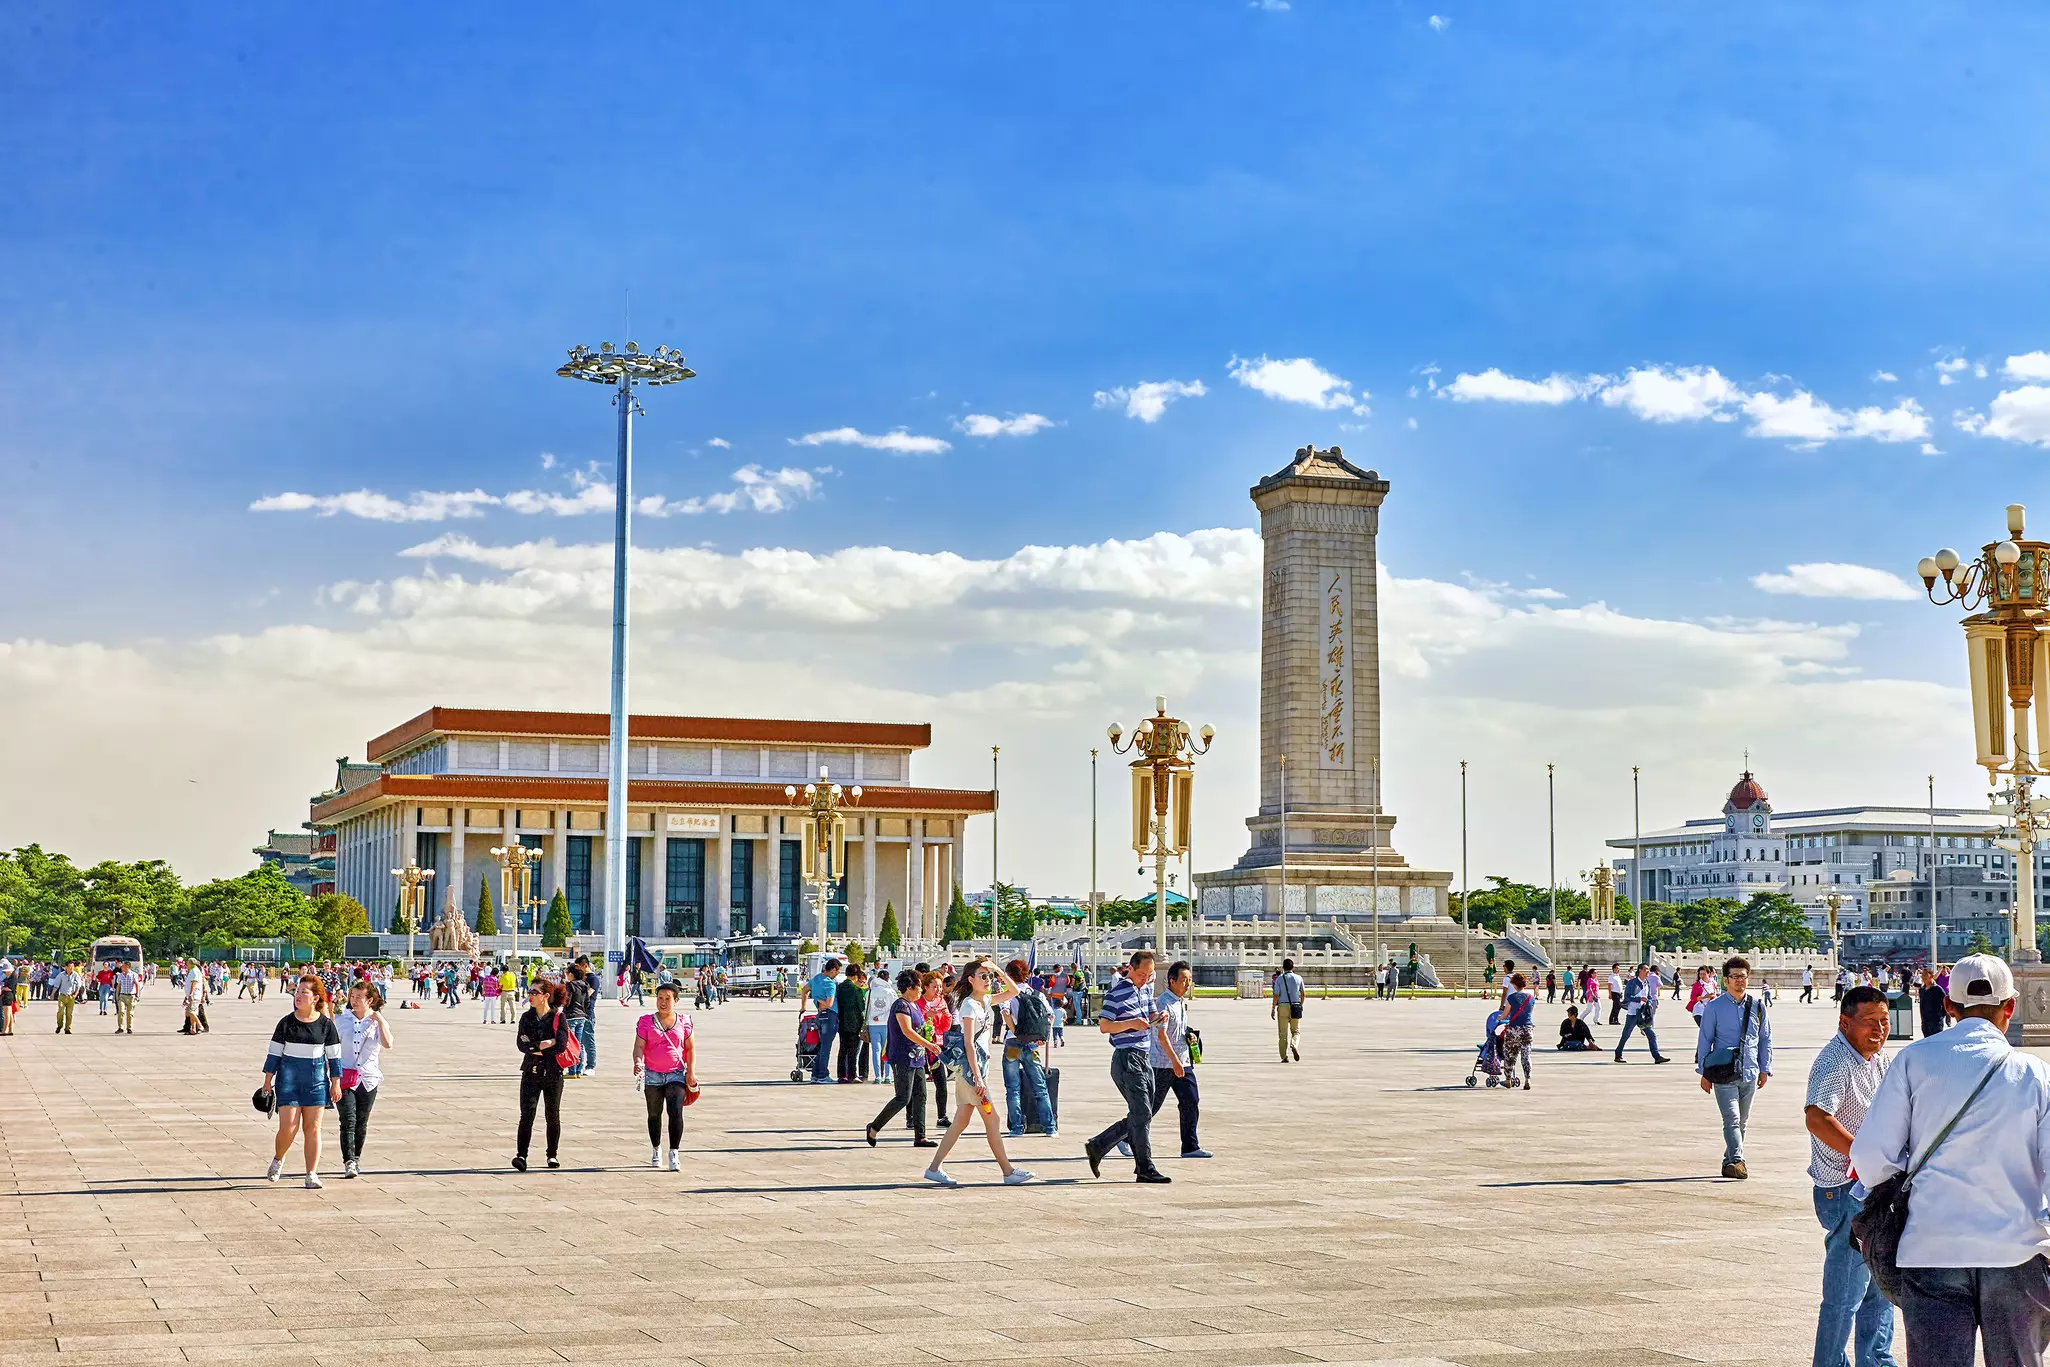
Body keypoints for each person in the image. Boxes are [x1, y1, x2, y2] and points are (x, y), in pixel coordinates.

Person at [1850, 953, 2050, 1367]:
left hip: (1931, 1248)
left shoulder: (1913, 1060)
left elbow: (1870, 1156)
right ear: (2010, 1007)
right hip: (2015, 1251)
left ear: (1948, 1006)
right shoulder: (2034, 1073)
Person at [1803, 985, 1895, 1367]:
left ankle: (1875, 1360)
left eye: (1885, 1021)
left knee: (1881, 1285)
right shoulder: (1835, 1061)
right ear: (1845, 1022)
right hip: (1844, 1188)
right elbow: (1816, 1117)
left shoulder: (1879, 1059)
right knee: (1845, 1292)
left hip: (1875, 1184)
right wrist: (1859, 1152)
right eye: (1870, 1022)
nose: (1879, 1029)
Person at [923, 958, 1033, 1187]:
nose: (987, 980)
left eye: (988, 976)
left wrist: (997, 970)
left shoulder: (986, 1000)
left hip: (975, 1072)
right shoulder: (969, 1005)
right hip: (972, 1075)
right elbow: (969, 1043)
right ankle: (1008, 1171)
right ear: (971, 979)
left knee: (961, 1122)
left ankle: (934, 1168)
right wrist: (978, 1077)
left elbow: (1013, 991)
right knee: (993, 1119)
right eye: (982, 976)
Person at [1084, 950, 1170, 1184]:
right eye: (1142, 974)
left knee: (1144, 1113)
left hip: (1144, 1056)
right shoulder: (1117, 993)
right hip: (1127, 1058)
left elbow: (1150, 1012)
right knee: (1142, 1113)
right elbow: (1104, 1026)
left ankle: (1099, 1145)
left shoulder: (1146, 989)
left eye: (1149, 975)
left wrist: (1158, 1017)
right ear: (1129, 969)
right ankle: (1145, 1167)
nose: (1145, 978)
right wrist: (1131, 1023)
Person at [1695, 955, 1773, 1179]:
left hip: (1749, 1070)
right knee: (1732, 1119)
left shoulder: (1757, 1006)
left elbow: (1765, 1038)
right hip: (1722, 1072)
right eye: (1734, 977)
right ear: (1725, 980)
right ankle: (1739, 1160)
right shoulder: (1714, 1007)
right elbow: (1705, 1039)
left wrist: (1764, 1068)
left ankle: (1729, 1161)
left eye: (1743, 976)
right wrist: (1704, 1072)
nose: (1739, 980)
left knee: (1743, 1121)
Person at [261, 977, 343, 1188]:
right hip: (288, 1079)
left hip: (316, 1080)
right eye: (298, 991)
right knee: (289, 1126)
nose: (298, 995)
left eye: (304, 992)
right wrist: (267, 1081)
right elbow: (274, 1053)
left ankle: (311, 1174)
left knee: (313, 1128)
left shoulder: (326, 1025)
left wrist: (335, 1082)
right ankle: (279, 1158)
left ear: (315, 998)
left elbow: (334, 1057)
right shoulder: (286, 1022)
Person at [867, 969, 938, 1149]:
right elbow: (907, 1031)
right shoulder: (901, 1005)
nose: (921, 990)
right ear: (909, 988)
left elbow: (918, 1028)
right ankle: (874, 1127)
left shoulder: (914, 1006)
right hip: (903, 1056)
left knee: (921, 1095)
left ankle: (920, 1136)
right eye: (919, 986)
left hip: (918, 1057)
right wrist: (929, 1045)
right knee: (902, 1098)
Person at [632, 981, 697, 1172]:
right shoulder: (645, 1021)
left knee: (675, 1111)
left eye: (667, 999)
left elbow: (690, 1048)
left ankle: (674, 1152)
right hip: (652, 1075)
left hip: (676, 1073)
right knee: (654, 1114)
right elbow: (639, 1046)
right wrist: (638, 1061)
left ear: (676, 1000)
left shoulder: (684, 1021)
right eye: (660, 998)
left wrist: (691, 1072)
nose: (663, 1002)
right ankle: (656, 1148)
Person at [1148, 960, 1208, 1158]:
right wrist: (1174, 1062)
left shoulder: (1180, 1002)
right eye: (1183, 979)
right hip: (1164, 1064)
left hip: (1182, 1062)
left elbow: (1176, 1032)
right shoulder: (1164, 1004)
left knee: (1191, 1100)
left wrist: (1189, 1037)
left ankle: (1190, 1146)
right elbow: (1161, 1035)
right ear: (1171, 981)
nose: (1187, 983)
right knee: (1150, 1107)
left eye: (1190, 980)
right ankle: (1124, 1138)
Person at [335, 981, 392, 1179]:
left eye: (359, 997)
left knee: (361, 1122)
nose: (354, 1000)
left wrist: (381, 1020)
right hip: (345, 1078)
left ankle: (356, 1157)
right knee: (348, 1120)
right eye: (352, 996)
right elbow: (332, 1050)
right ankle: (349, 1161)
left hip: (368, 1079)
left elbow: (388, 1044)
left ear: (370, 1000)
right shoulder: (342, 1020)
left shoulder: (376, 1022)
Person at [513, 981, 567, 1171]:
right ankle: (521, 1155)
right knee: (527, 1114)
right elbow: (521, 1043)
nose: (530, 995)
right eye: (529, 991)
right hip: (530, 1071)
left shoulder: (558, 1017)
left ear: (545, 995)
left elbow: (561, 1045)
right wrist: (543, 1044)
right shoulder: (527, 1017)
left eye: (535, 992)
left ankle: (552, 1155)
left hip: (553, 1073)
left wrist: (537, 1046)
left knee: (552, 1115)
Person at [1001, 958, 1056, 1138]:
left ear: (1008, 975)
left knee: (1013, 1088)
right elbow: (1051, 1016)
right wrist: (1043, 1036)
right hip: (1032, 1043)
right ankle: (1049, 1127)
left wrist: (1015, 1031)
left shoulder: (1009, 993)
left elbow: (1006, 1014)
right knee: (1040, 1087)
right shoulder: (1036, 993)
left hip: (1013, 1043)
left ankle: (1017, 1127)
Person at [1615, 964, 1670, 1064]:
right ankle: (1618, 1054)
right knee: (1626, 1035)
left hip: (1643, 1014)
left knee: (1651, 1035)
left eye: (1648, 969)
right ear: (1640, 971)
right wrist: (1639, 999)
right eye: (1645, 969)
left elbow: (1648, 996)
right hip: (1633, 1013)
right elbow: (1627, 997)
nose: (1647, 971)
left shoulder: (1647, 983)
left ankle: (1657, 1057)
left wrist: (1649, 1003)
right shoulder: (1632, 983)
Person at [802, 959, 843, 1084]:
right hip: (830, 1016)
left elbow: (804, 990)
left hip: (820, 1016)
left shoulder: (816, 979)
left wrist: (804, 1006)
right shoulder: (830, 984)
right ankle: (822, 1075)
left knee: (822, 1047)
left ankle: (815, 1074)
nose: (837, 974)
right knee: (826, 1047)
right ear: (833, 970)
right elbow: (829, 1004)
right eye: (837, 971)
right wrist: (820, 1001)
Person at [1497, 973, 1535, 1090]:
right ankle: (1527, 1079)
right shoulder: (1531, 998)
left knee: (1510, 1055)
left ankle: (1508, 1079)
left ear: (1514, 984)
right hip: (1527, 1029)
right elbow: (1529, 1013)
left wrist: (1500, 1018)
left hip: (1514, 1030)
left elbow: (1505, 1015)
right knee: (1526, 1055)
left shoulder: (1511, 998)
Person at [560, 963, 595, 1078]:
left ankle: (572, 1070)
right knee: (579, 1044)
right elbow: (587, 1002)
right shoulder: (585, 985)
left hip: (571, 1016)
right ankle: (579, 1069)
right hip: (581, 1016)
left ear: (571, 974)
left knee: (570, 1043)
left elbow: (567, 1000)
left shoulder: (571, 985)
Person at [836, 964, 868, 1083]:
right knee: (853, 1050)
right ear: (855, 976)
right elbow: (861, 1007)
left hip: (842, 1021)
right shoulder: (857, 990)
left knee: (842, 1049)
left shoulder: (839, 987)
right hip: (855, 1022)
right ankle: (851, 1074)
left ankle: (841, 1074)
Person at [1271, 958, 1304, 1063]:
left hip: (1282, 1007)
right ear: (1293, 967)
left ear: (1283, 968)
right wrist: (1300, 1005)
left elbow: (1276, 995)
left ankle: (1284, 1057)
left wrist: (1273, 1008)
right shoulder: (1298, 978)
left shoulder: (1279, 979)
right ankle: (1294, 1045)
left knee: (1282, 1034)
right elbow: (1303, 994)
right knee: (1296, 1031)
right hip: (1295, 1006)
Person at [866, 966, 895, 1085]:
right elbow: (894, 1009)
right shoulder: (890, 992)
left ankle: (878, 1076)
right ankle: (887, 1076)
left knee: (876, 1050)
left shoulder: (870, 992)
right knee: (887, 1050)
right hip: (887, 1024)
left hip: (873, 1024)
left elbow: (867, 1008)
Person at [1917, 967, 1948, 1038]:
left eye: (1925, 975)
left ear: (1931, 976)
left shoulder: (1938, 990)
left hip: (1936, 1023)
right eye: (1922, 975)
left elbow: (1946, 1005)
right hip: (1925, 1022)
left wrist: (1940, 1016)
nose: (1923, 977)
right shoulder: (1922, 990)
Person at [51, 961, 80, 1034]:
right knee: (60, 1011)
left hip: (71, 997)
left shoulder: (75, 975)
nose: (71, 968)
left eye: (72, 966)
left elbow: (78, 986)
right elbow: (56, 985)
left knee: (69, 1014)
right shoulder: (61, 975)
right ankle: (59, 1025)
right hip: (62, 996)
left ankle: (67, 1028)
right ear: (66, 967)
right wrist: (52, 994)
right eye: (70, 966)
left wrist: (75, 995)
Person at [182, 962, 211, 1034]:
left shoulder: (197, 974)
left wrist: (204, 996)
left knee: (195, 1012)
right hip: (194, 996)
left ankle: (202, 1026)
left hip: (197, 996)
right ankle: (192, 1029)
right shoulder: (194, 973)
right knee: (193, 1013)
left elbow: (203, 987)